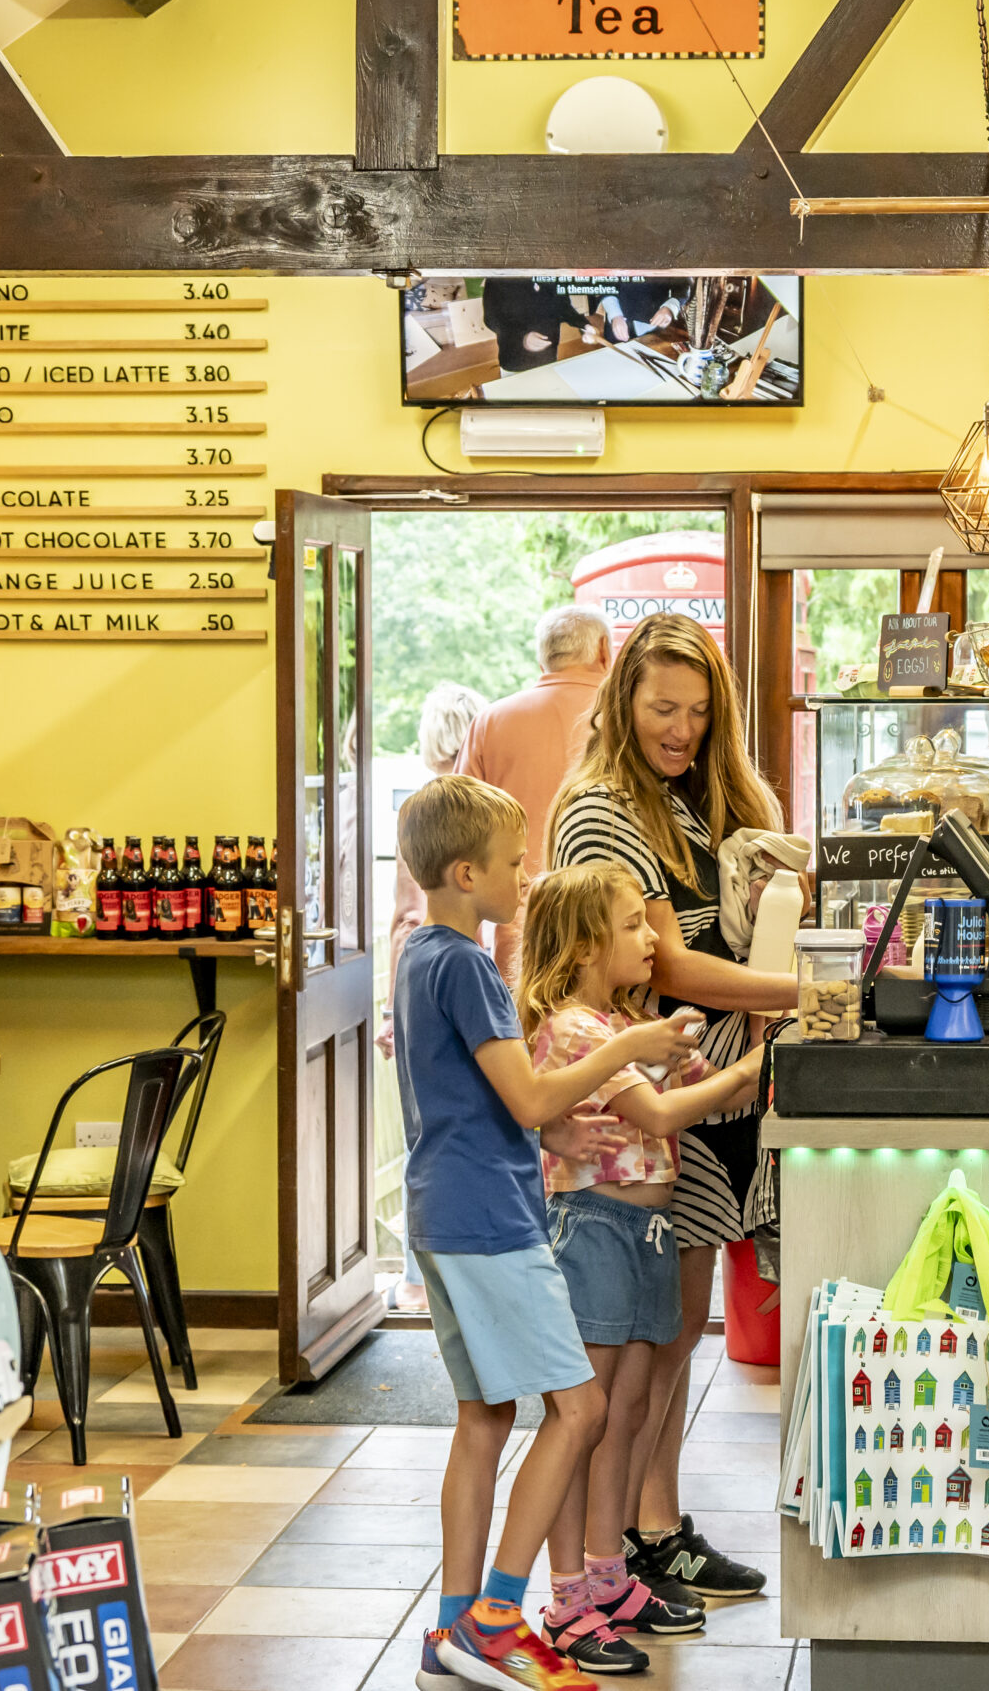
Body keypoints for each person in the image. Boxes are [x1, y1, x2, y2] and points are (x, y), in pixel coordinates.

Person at [391, 775, 701, 1691]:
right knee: (582, 1408)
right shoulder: (468, 964)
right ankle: (497, 1617)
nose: (525, 880)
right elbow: (525, 1088)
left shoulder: (416, 954)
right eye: (514, 864)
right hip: (491, 1221)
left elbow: (484, 1097)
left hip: (442, 1206)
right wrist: (622, 1051)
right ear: (463, 871)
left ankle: (450, 1627)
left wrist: (552, 1130)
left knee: (485, 1418)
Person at [548, 612, 797, 1607]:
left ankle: (652, 1523)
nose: (681, 730)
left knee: (677, 1329)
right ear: (621, 702)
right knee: (648, 1335)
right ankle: (630, 1539)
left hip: (715, 1083)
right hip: (660, 1097)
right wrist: (804, 992)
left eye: (697, 713)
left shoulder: (691, 801)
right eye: (662, 708)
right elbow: (669, 963)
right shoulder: (606, 810)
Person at [519, 862, 767, 1672]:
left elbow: (709, 1096)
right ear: (589, 943)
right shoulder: (579, 1032)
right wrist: (743, 1069)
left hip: (650, 1234)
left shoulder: (630, 1021)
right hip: (594, 1232)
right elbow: (660, 1112)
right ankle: (565, 1601)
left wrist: (757, 1057)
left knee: (628, 1411)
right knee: (582, 1417)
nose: (652, 941)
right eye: (634, 925)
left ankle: (608, 1573)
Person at [459, 604, 614, 976]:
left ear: (543, 660)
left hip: (521, 930)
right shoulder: (630, 719)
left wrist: (468, 943)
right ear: (605, 651)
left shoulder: (491, 722)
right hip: (615, 927)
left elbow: (458, 834)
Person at [382, 682, 488, 1058]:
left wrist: (392, 1009)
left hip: (437, 984)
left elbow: (409, 916)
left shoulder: (420, 814)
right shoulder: (500, 812)